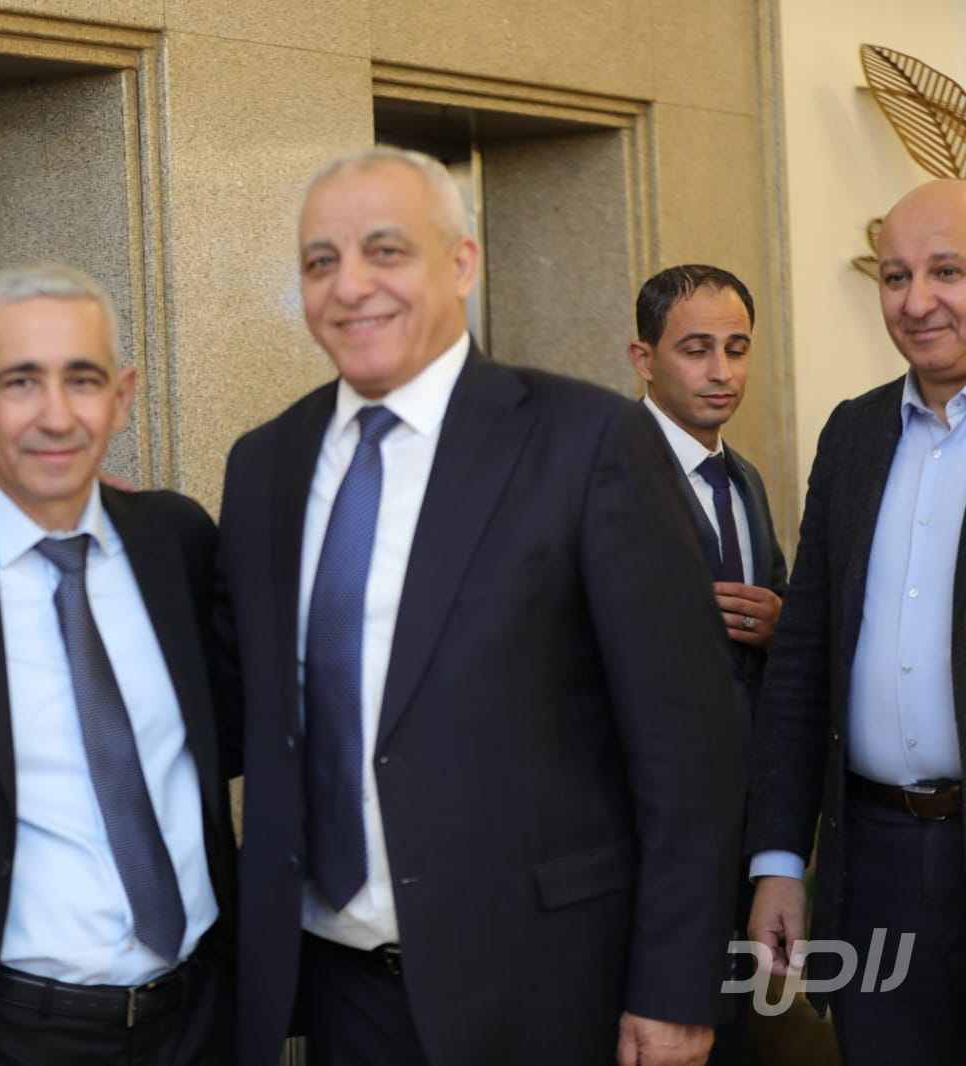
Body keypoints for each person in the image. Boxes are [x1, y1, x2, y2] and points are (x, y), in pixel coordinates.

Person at [219, 147, 745, 1066]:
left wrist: (673, 987)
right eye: (320, 261)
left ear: (462, 263)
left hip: (544, 986)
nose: (350, 285)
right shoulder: (265, 464)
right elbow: (244, 704)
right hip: (340, 994)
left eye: (386, 251)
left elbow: (687, 744)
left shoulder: (587, 441)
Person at [0, 262, 236, 1066]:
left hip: (201, 1019)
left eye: (82, 380)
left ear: (122, 397)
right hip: (15, 1032)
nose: (56, 416)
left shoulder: (177, 540)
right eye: (20, 382)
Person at [747, 178, 966, 1063]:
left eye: (947, 271)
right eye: (895, 276)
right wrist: (777, 862)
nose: (916, 302)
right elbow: (802, 660)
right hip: (871, 865)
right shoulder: (853, 434)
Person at [627, 264, 789, 1064]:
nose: (721, 371)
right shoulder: (602, 476)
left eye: (737, 347)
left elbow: (781, 616)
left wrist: (781, 624)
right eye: (696, 349)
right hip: (642, 848)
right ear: (644, 359)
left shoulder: (745, 478)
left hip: (740, 840)